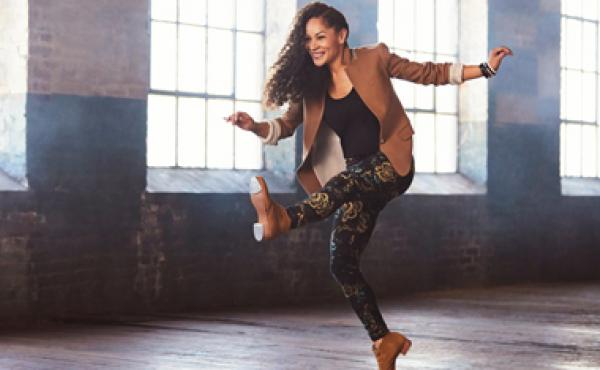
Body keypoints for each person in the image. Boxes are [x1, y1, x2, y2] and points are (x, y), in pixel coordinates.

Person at [225, 2, 512, 369]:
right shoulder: (313, 88)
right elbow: (284, 126)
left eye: (320, 37)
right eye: (307, 39)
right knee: (341, 260)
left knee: (343, 183)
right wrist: (254, 127)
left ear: (341, 35)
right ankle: (384, 340)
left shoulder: (374, 57)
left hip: (391, 164)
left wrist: (485, 68)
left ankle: (284, 219)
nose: (313, 45)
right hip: (357, 178)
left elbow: (429, 73)